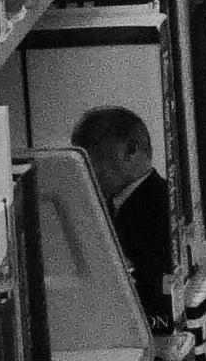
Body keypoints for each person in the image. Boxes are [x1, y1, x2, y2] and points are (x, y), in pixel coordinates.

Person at [75, 102, 176, 319]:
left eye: (91, 149)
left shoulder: (155, 210)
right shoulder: (124, 204)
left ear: (131, 149)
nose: (85, 164)